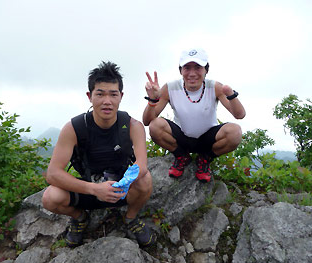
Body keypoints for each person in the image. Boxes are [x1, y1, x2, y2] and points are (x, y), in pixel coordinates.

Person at [42, 61, 155, 248]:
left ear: (121, 96)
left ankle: (130, 218)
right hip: (88, 188)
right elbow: (53, 173)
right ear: (90, 96)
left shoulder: (133, 126)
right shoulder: (74, 128)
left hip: (121, 189)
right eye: (100, 94)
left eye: (113, 94)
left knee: (145, 179)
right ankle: (80, 218)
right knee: (49, 198)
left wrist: (120, 185)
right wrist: (95, 189)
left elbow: (141, 165)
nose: (107, 101)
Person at [142, 47, 246, 182]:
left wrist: (231, 96)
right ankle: (181, 156)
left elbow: (240, 115)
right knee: (155, 126)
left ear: (206, 70)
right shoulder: (170, 88)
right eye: (187, 68)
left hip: (207, 138)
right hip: (181, 137)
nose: (192, 73)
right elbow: (147, 121)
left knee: (235, 132)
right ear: (180, 70)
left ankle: (205, 158)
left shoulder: (214, 87)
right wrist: (153, 100)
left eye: (198, 67)